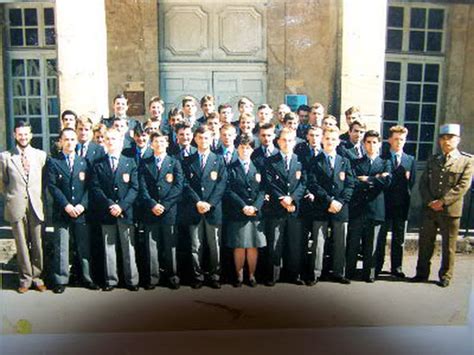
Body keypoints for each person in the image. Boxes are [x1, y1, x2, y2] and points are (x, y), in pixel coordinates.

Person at [412, 123, 473, 287]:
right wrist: (430, 201)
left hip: (450, 210)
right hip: (430, 208)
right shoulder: (434, 159)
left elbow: (463, 186)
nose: (446, 141)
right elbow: (423, 183)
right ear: (439, 141)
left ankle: (445, 275)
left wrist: (442, 202)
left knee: (449, 246)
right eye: (443, 138)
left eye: (450, 138)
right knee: (425, 243)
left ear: (458, 140)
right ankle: (421, 273)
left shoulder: (466, 161)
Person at [47, 128, 98, 293]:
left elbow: (90, 187)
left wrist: (82, 205)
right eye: (66, 139)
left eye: (72, 139)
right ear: (60, 142)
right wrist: (66, 205)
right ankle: (61, 279)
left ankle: (87, 278)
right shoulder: (54, 162)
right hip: (63, 211)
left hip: (81, 212)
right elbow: (53, 187)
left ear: (77, 142)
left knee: (84, 246)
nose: (69, 142)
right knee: (62, 246)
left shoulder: (83, 162)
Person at [0, 121, 47, 293]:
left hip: (35, 204)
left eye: (26, 134)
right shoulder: (5, 157)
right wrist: (12, 197)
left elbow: (44, 181)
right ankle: (25, 279)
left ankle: (38, 277)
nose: (23, 137)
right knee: (21, 243)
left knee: (37, 242)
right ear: (14, 135)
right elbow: (2, 183)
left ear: (31, 135)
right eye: (20, 134)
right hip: (16, 204)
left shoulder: (40, 155)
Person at [90, 128, 140, 291]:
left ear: (121, 142)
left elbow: (134, 188)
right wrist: (111, 204)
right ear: (103, 141)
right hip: (107, 211)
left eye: (114, 139)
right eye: (108, 139)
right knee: (108, 247)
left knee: (128, 247)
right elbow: (96, 188)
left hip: (125, 211)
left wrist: (122, 206)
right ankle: (111, 280)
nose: (111, 141)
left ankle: (132, 280)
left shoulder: (130, 161)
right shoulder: (98, 163)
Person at [306, 127, 354, 285]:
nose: (330, 142)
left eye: (333, 139)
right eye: (327, 139)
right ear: (322, 140)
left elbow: (350, 184)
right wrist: (329, 201)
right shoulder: (314, 161)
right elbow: (313, 184)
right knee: (319, 241)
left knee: (340, 241)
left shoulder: (344, 161)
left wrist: (340, 202)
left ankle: (339, 272)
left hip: (340, 208)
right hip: (321, 206)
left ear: (338, 141)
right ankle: (315, 273)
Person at [181, 126, 227, 289]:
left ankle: (215, 275)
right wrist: (197, 202)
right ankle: (198, 276)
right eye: (200, 138)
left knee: (215, 245)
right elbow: (184, 184)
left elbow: (221, 184)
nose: (203, 141)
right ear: (195, 139)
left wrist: (210, 203)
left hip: (213, 209)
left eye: (206, 138)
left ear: (211, 139)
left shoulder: (219, 159)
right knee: (196, 245)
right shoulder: (187, 160)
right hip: (194, 209)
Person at [139, 131, 184, 289]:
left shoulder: (174, 162)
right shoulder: (145, 163)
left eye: (162, 142)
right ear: (151, 145)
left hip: (169, 210)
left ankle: (172, 275)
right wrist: (152, 204)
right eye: (156, 142)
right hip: (151, 210)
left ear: (167, 144)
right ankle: (153, 277)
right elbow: (142, 188)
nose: (159, 144)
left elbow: (178, 186)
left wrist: (164, 205)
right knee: (152, 245)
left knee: (170, 244)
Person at [263, 128, 306, 286]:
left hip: (294, 208)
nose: (287, 143)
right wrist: (282, 199)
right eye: (284, 140)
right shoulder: (270, 161)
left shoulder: (300, 161)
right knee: (275, 242)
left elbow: (303, 183)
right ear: (278, 141)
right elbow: (269, 183)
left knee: (294, 242)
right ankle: (272, 275)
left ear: (294, 142)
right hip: (277, 207)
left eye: (290, 140)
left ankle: (293, 275)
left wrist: (292, 199)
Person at [346, 130, 391, 283]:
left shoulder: (385, 163)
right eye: (368, 142)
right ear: (364, 144)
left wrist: (367, 179)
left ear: (379, 145)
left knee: (372, 244)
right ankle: (349, 272)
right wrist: (376, 179)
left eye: (374, 142)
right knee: (353, 242)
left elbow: (386, 182)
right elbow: (353, 182)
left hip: (376, 209)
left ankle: (369, 273)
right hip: (358, 208)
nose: (371, 145)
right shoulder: (356, 163)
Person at [225, 135, 266, 287]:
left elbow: (263, 190)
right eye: (242, 147)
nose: (245, 150)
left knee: (253, 246)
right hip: (238, 212)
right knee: (240, 245)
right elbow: (228, 191)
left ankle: (252, 275)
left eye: (248, 147)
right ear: (237, 149)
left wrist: (255, 206)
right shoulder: (230, 168)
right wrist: (243, 206)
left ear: (252, 149)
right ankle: (239, 275)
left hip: (255, 213)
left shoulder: (258, 166)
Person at [375, 125, 416, 278]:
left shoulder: (409, 160)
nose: (399, 142)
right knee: (381, 237)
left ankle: (396, 268)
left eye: (402, 139)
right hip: (385, 204)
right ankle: (377, 266)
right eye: (396, 139)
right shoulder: (382, 158)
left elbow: (411, 183)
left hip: (401, 205)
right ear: (390, 140)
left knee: (399, 239)